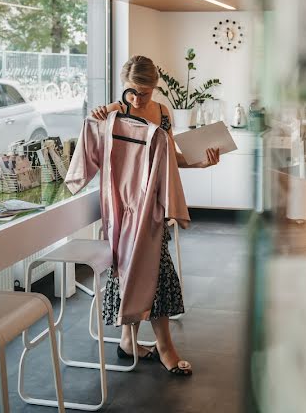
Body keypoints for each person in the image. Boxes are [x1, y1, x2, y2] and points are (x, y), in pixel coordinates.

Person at [89, 55, 220, 376]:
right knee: (132, 267)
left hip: (153, 204)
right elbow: (96, 147)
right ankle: (160, 347)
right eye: (132, 91)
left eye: (145, 92)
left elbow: (169, 158)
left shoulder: (162, 113)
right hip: (123, 205)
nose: (137, 98)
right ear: (123, 86)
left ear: (155, 88)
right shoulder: (113, 112)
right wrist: (97, 119)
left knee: (149, 266)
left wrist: (200, 163)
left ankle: (131, 342)